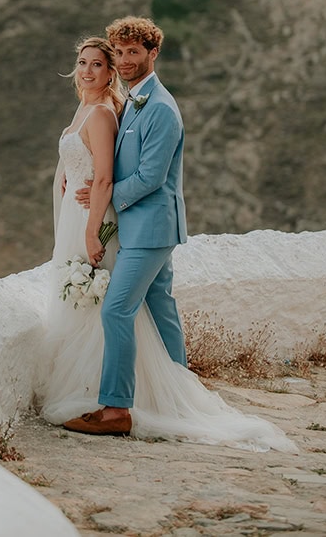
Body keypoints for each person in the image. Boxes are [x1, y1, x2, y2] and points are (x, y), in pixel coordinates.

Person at [37, 22, 297, 453]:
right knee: (161, 308)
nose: (123, 61)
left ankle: (116, 410)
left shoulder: (160, 108)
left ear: (152, 53)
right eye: (117, 54)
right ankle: (180, 393)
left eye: (131, 53)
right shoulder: (132, 104)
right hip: (138, 226)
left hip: (149, 228)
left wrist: (97, 200)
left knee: (117, 311)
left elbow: (150, 178)